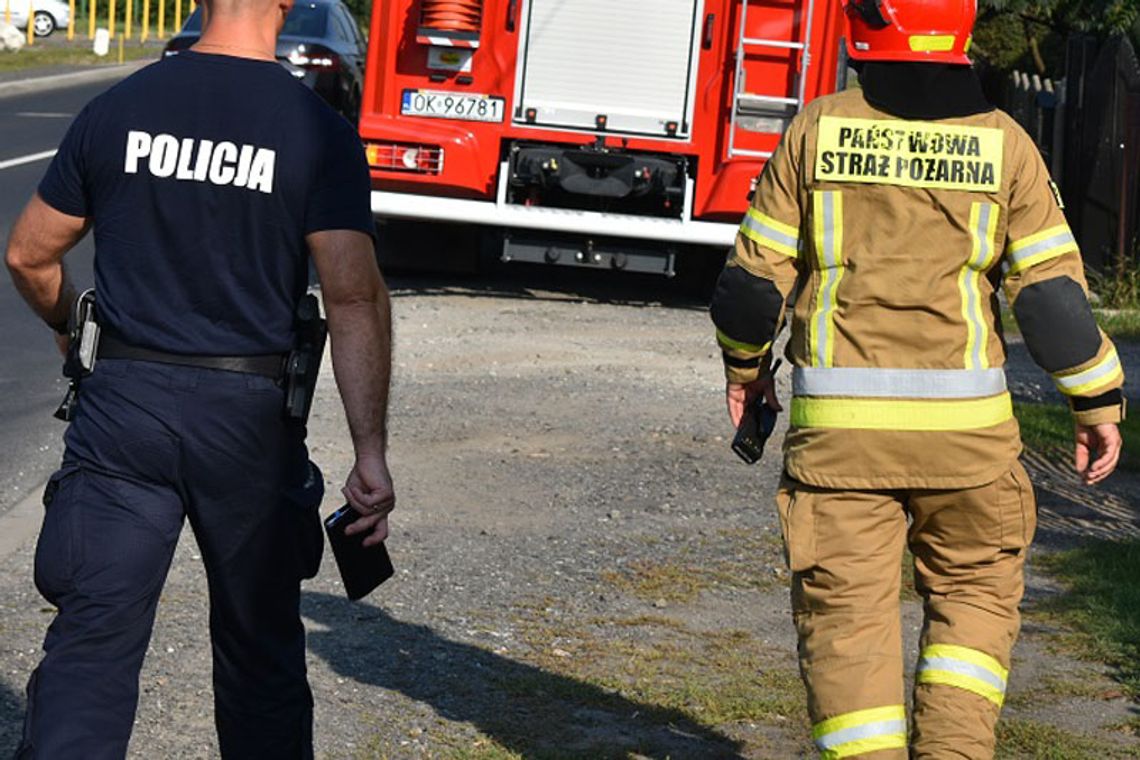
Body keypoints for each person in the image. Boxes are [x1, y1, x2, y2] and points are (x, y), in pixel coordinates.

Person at [709, 0, 1125, 756]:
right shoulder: (1007, 145)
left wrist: (746, 369)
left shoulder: (816, 130)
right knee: (974, 605)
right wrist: (1096, 401)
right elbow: (1055, 305)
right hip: (969, 448)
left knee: (848, 624)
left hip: (841, 449)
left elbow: (749, 287)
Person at [3, 0, 394, 753]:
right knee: (261, 661)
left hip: (122, 414)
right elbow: (352, 295)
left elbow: (28, 254)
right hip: (248, 424)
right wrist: (368, 451)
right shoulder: (315, 130)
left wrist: (68, 328)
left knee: (90, 651)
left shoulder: (118, 108)